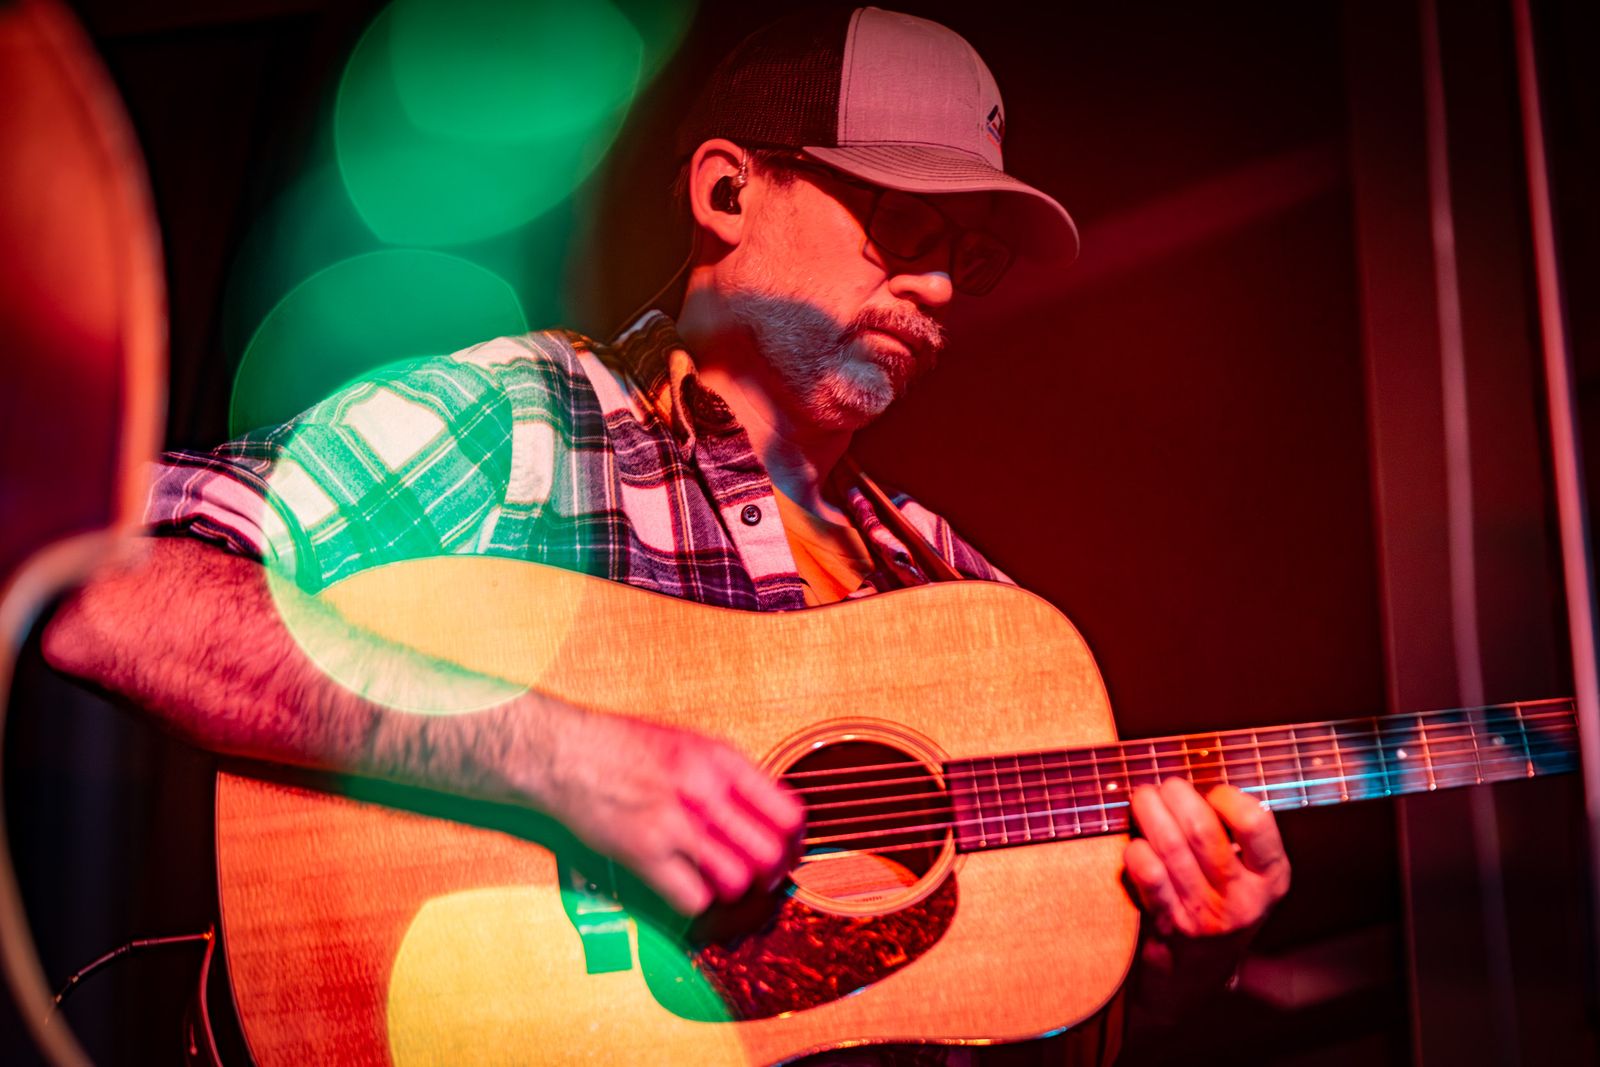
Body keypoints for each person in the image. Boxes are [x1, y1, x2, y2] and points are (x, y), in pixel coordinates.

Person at [42, 6, 1290, 1062]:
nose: (943, 285)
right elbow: (90, 581)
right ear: (727, 190)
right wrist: (558, 757)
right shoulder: (524, 424)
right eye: (905, 222)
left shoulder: (969, 611)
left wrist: (1177, 975)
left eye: (970, 253)